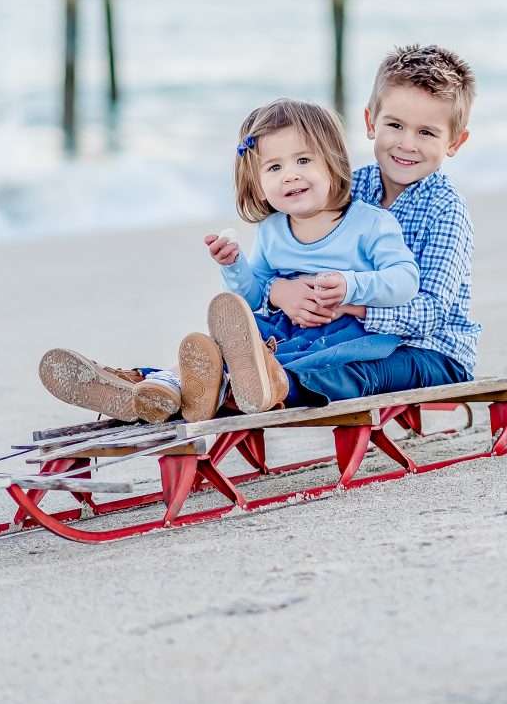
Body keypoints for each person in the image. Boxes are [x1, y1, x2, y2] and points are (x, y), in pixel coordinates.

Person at [38, 99, 419, 422]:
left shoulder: (370, 223)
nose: (291, 175)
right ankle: (153, 387)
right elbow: (254, 297)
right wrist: (234, 267)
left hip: (346, 334)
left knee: (275, 357)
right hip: (282, 329)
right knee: (237, 333)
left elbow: (405, 280)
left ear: (333, 161)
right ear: (256, 180)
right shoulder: (273, 230)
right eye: (274, 167)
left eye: (303, 160)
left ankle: (173, 387)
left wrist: (352, 285)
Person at [256, 44, 481, 403]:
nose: (407, 144)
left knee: (350, 370)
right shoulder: (347, 189)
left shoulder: (445, 210)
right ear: (370, 122)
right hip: (346, 335)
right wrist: (279, 292)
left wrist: (352, 305)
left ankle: (276, 387)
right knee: (269, 337)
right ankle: (176, 383)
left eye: (426, 133)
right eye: (395, 125)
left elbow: (433, 312)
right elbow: (292, 252)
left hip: (431, 351)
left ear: (454, 142)